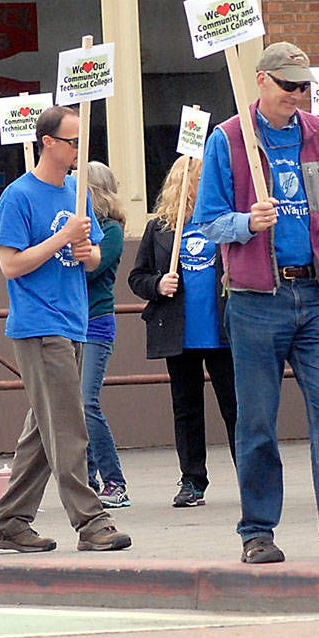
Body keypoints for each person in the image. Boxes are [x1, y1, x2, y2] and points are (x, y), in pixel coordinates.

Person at [191, 40, 319, 564]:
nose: (299, 95)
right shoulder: (229, 139)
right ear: (261, 81)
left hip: (313, 294)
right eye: (288, 85)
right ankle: (257, 531)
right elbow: (206, 220)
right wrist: (244, 223)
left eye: (305, 86)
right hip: (257, 299)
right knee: (257, 420)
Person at [0, 105, 131, 553]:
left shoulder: (78, 190)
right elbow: (10, 265)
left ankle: (9, 521)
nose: (78, 152)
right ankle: (90, 520)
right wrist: (61, 238)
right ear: (47, 142)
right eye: (72, 142)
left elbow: (88, 257)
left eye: (82, 143)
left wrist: (86, 251)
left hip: (76, 320)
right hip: (38, 324)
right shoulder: (18, 196)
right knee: (68, 425)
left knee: (42, 429)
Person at [128, 156, 237, 508]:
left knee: (236, 406)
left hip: (223, 329)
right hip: (180, 332)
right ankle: (192, 479)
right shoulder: (160, 228)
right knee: (186, 408)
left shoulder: (224, 222)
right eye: (201, 179)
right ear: (184, 183)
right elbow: (137, 277)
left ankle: (250, 474)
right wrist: (158, 284)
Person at [81, 160, 130, 508]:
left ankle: (115, 480)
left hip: (96, 321)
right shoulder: (76, 227)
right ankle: (87, 478)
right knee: (70, 405)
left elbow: (93, 270)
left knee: (86, 401)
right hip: (70, 322)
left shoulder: (110, 230)